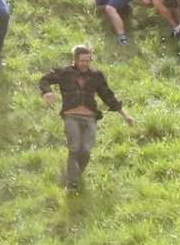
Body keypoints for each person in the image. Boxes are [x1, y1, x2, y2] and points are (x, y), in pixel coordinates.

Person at [39, 44, 134, 191]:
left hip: (90, 118)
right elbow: (45, 79)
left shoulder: (96, 75)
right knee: (74, 148)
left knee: (86, 151)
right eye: (82, 61)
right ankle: (72, 184)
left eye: (87, 61)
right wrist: (47, 92)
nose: (85, 63)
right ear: (75, 60)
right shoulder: (64, 72)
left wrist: (125, 114)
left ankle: (74, 176)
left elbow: (108, 96)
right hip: (71, 116)